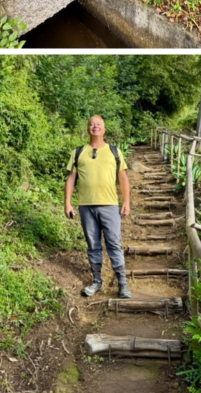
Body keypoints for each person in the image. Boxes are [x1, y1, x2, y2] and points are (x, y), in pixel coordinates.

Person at [64, 114, 132, 299]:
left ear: (104, 129)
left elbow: (123, 177)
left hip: (109, 205)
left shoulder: (114, 152)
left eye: (99, 124)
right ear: (88, 129)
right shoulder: (78, 152)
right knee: (92, 245)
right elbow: (71, 178)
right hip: (86, 206)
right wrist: (67, 203)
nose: (95, 126)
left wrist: (126, 201)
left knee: (114, 244)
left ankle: (122, 283)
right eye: (92, 124)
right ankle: (96, 281)